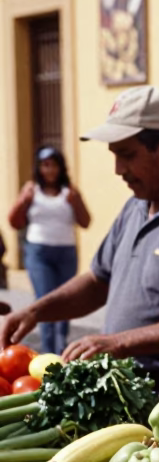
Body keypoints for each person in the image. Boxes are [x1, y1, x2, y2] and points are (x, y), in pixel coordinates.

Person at [0, 87, 159, 424]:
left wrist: (118, 343)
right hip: (140, 394)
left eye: (127, 155)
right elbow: (97, 281)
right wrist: (35, 311)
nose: (119, 169)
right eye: (114, 155)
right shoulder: (135, 208)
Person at [8, 146, 91, 354]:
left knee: (65, 303)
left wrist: (76, 202)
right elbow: (14, 222)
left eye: (53, 165)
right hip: (39, 253)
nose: (50, 170)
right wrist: (23, 201)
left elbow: (85, 222)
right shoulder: (31, 189)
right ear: (39, 168)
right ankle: (47, 354)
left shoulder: (69, 191)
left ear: (60, 167)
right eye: (45, 165)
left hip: (66, 253)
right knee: (44, 302)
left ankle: (62, 351)